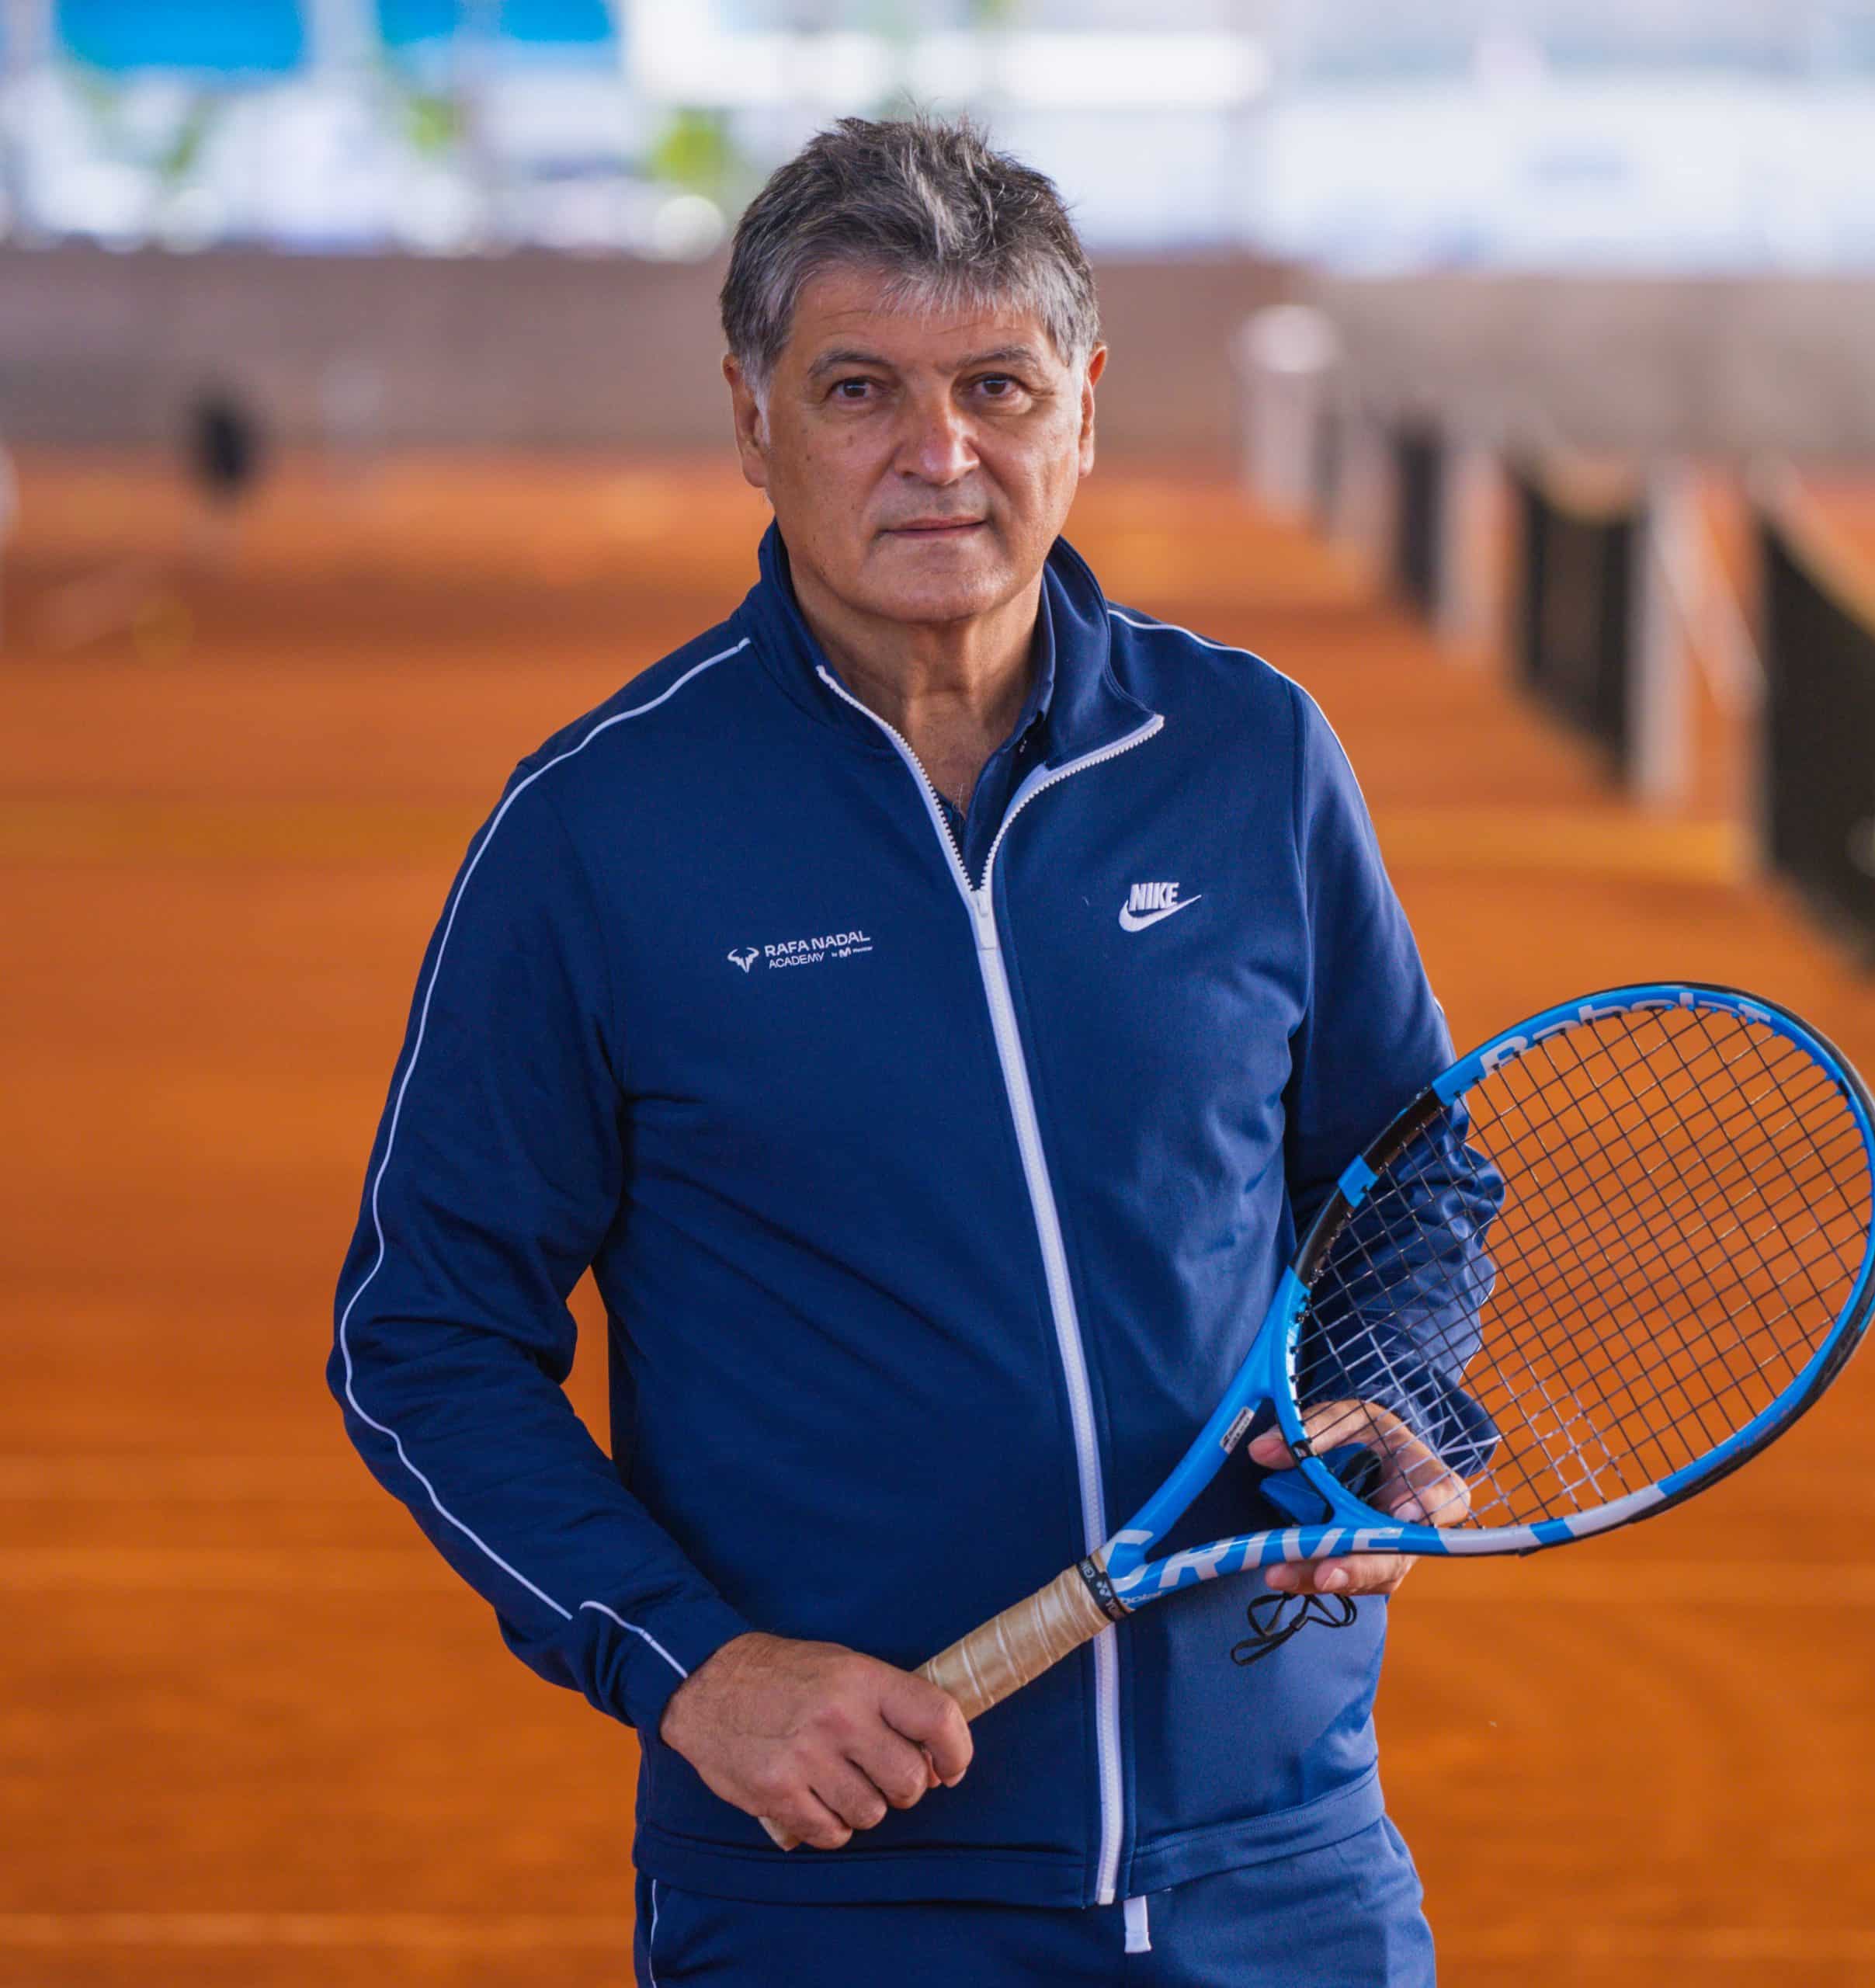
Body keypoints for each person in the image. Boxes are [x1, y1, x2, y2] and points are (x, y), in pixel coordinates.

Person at [331, 112, 1474, 1986]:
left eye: (996, 387)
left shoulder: (1251, 754)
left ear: (1082, 406)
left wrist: (1387, 1390)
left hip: (1282, 1860)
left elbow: (1406, 1163)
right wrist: (688, 1660)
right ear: (749, 416)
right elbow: (424, 1335)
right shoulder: (598, 830)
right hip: (838, 1886)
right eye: (858, 388)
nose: (937, 457)